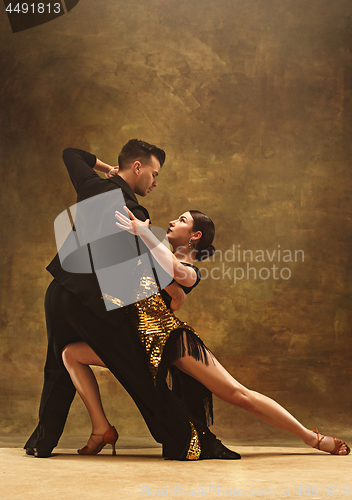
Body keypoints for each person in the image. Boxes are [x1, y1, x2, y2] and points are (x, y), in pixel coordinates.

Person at [62, 208, 350, 458]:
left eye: (182, 219)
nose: (173, 222)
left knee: (238, 394)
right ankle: (101, 428)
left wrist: (146, 235)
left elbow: (176, 270)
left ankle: (310, 437)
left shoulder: (189, 270)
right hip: (139, 345)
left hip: (173, 341)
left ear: (195, 235)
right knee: (71, 354)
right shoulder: (152, 255)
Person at [25, 141, 237, 461]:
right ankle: (190, 438)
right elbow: (134, 268)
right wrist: (174, 290)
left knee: (58, 365)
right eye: (153, 174)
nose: (154, 182)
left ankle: (42, 442)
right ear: (137, 167)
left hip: (59, 291)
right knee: (141, 374)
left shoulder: (92, 185)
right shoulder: (134, 213)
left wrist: (106, 169)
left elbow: (72, 153)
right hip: (96, 305)